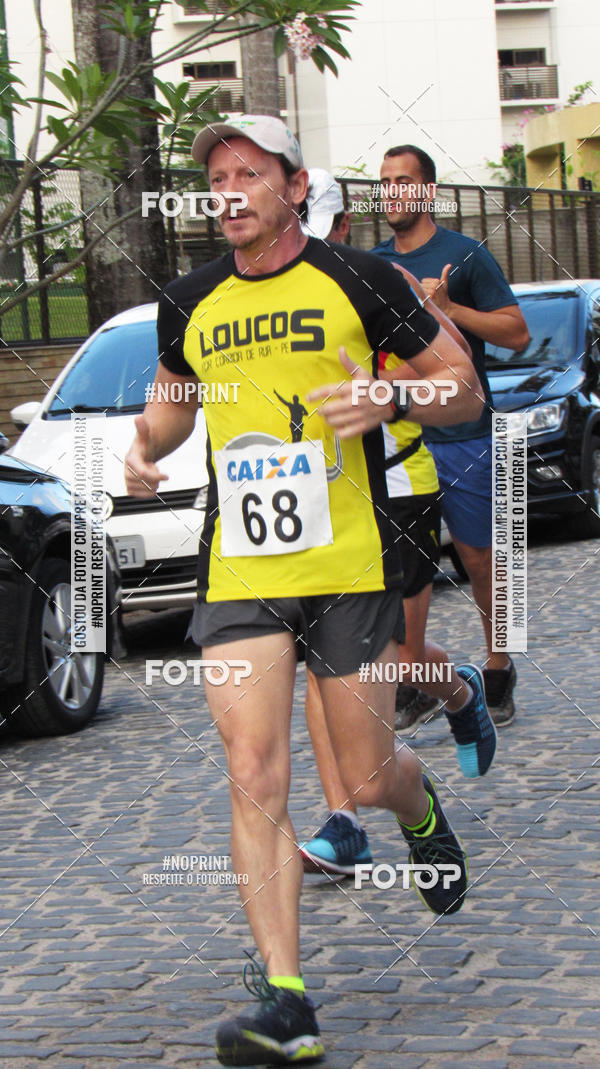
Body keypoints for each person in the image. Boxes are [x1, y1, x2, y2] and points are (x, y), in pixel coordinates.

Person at [124, 116, 482, 1067]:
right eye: (216, 178)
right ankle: (286, 999)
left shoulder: (360, 279)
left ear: (293, 183)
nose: (229, 191)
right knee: (255, 772)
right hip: (240, 571)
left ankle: (419, 810)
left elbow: (466, 390)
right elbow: (175, 396)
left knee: (363, 777)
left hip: (352, 568)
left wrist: (393, 397)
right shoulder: (190, 298)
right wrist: (146, 445)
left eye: (248, 173)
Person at [299, 174, 497, 879]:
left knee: (394, 659)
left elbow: (461, 384)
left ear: (345, 227)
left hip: (398, 491)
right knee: (320, 665)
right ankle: (344, 820)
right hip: (322, 507)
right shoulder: (268, 293)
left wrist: (391, 396)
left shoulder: (385, 285)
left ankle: (459, 690)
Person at [372, 145, 530, 728]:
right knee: (406, 569)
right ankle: (413, 679)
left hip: (466, 434)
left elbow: (515, 334)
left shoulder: (465, 256)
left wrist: (448, 308)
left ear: (428, 191)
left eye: (405, 181)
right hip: (401, 441)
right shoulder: (371, 266)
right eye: (385, 182)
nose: (394, 192)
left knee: (481, 558)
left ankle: (498, 665)